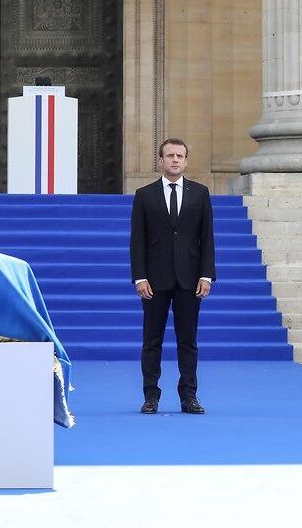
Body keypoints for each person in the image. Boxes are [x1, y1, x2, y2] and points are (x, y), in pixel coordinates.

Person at [130, 138, 215, 414]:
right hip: (154, 281)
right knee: (151, 341)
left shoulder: (200, 194)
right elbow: (137, 240)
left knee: (187, 341)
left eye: (180, 156)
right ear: (161, 161)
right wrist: (139, 277)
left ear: (186, 161)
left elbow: (207, 239)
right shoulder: (144, 195)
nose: (175, 160)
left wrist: (207, 276)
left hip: (190, 280)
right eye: (170, 155)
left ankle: (189, 396)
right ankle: (151, 396)